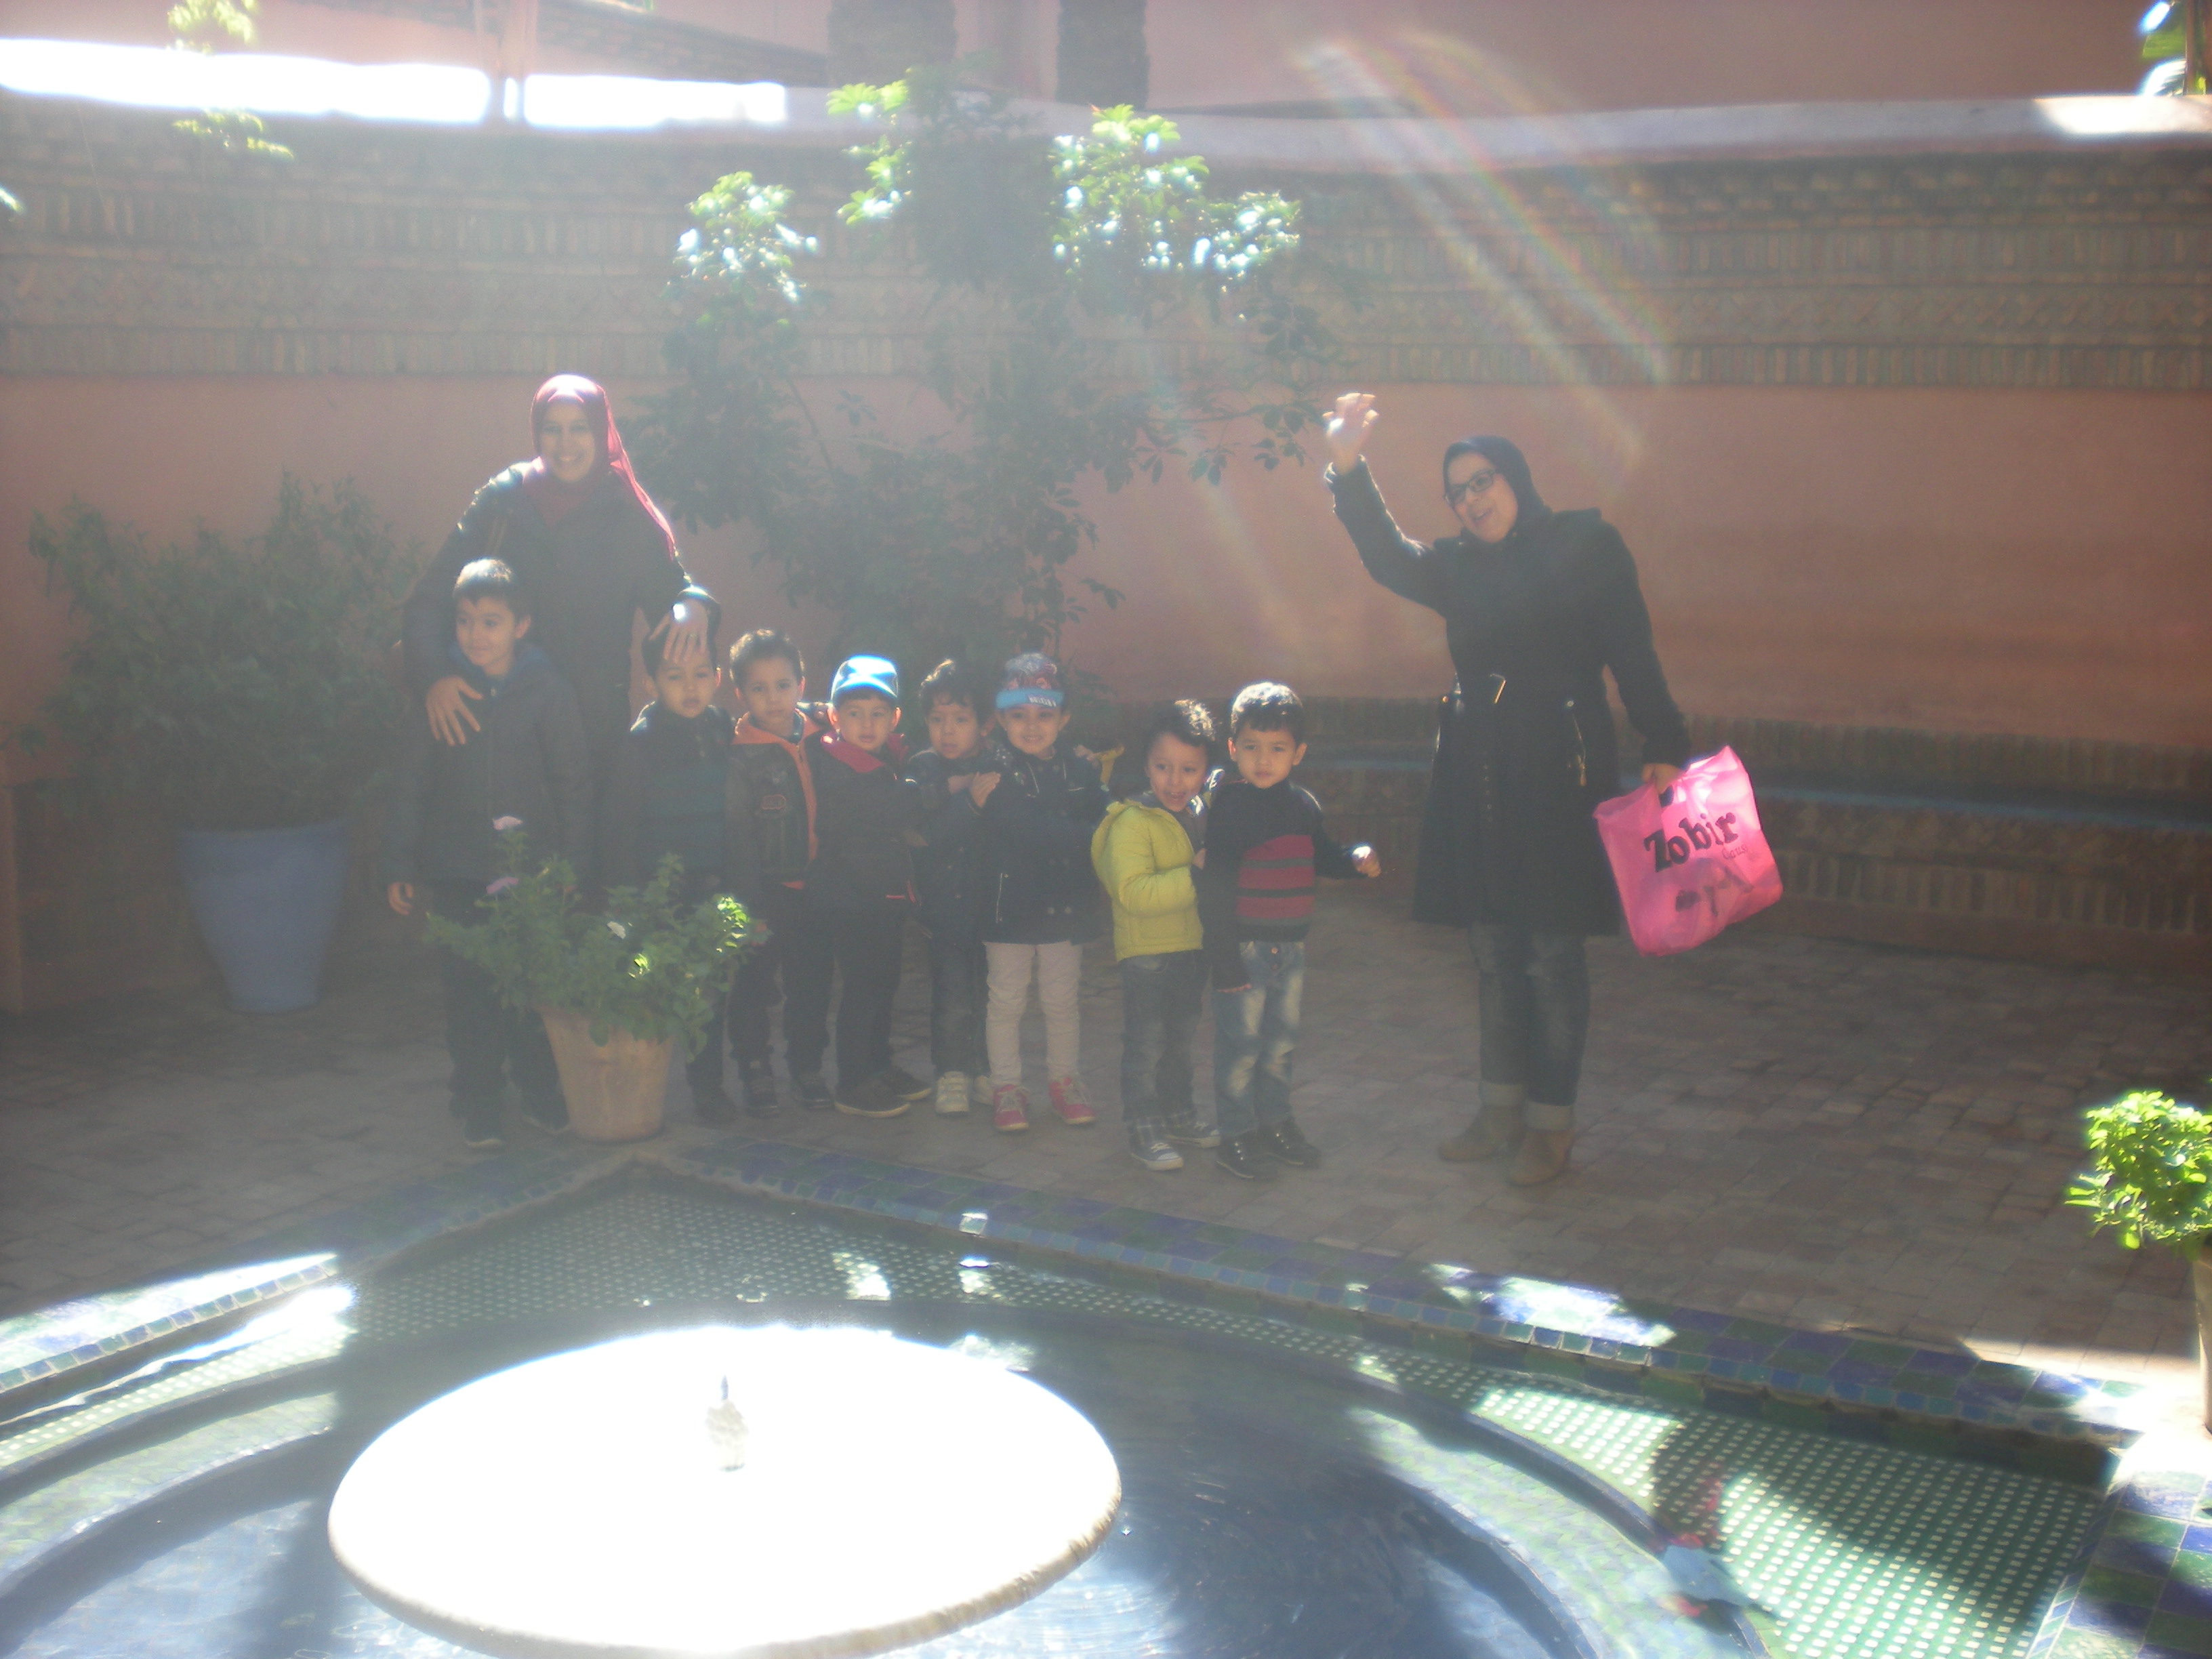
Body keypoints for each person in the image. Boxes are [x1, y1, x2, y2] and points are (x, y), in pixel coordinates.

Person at [1323, 390, 1690, 1186]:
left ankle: (1549, 1126)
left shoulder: (1586, 546)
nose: (1472, 499)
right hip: (1479, 769)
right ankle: (1499, 1112)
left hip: (1561, 770)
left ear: (1515, 477)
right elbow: (1386, 556)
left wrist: (1664, 741)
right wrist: (1348, 467)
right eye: (1457, 491)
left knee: (1551, 953)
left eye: (1483, 480)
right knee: (1492, 949)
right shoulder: (1454, 567)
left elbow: (1632, 650)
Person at [401, 373, 716, 786]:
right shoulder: (504, 502)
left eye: (579, 428)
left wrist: (694, 604)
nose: (565, 444)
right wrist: (435, 677)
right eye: (553, 429)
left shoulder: (626, 514)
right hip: (502, 729)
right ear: (537, 433)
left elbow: (672, 599)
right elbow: (430, 599)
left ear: (600, 432)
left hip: (595, 735)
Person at [380, 558, 592, 1151]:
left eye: (491, 622)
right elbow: (411, 783)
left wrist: (573, 865)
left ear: (521, 626)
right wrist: (398, 863)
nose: (476, 634)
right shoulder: (441, 694)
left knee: (531, 992)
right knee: (468, 995)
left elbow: (573, 784)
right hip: (458, 871)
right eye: (465, 620)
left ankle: (540, 1092)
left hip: (532, 875)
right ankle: (478, 1101)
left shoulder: (549, 693)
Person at [1196, 682, 1380, 1180]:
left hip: (1291, 949)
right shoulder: (1230, 809)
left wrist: (1354, 859)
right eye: (1251, 747)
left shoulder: (1302, 806)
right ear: (1233, 748)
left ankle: (1275, 1124)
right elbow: (1215, 889)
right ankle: (1236, 1135)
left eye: (1277, 749)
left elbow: (1323, 855)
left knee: (1280, 1045)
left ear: (1298, 753)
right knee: (1241, 1048)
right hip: (1244, 950)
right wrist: (1225, 961)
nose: (1263, 760)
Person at [599, 603, 749, 1125]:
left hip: (711, 889)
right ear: (650, 683)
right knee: (650, 987)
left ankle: (707, 1087)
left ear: (718, 677)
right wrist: (626, 909)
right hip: (656, 897)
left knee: (708, 995)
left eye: (701, 674)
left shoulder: (723, 732)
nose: (690, 687)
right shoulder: (640, 747)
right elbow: (619, 832)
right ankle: (639, 1086)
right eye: (674, 676)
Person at [975, 653, 1109, 1134]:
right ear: (1001, 718)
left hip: (1065, 908)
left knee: (1061, 1001)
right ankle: (1007, 1086)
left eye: (1044, 714)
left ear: (1063, 718)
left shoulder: (1080, 768)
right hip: (1009, 907)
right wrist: (1096, 837)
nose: (1032, 726)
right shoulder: (994, 770)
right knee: (1006, 1000)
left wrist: (1115, 823)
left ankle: (1065, 1081)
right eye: (1019, 714)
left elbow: (1106, 810)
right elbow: (1027, 829)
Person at [1090, 700, 1220, 1172]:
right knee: (1146, 1045)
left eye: (1189, 769)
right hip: (1146, 954)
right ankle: (1143, 1126)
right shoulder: (1132, 822)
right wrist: (1196, 875)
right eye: (1163, 767)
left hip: (1193, 949)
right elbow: (1133, 894)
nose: (1175, 781)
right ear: (1146, 766)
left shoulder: (1203, 814)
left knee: (1180, 1042)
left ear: (1206, 770)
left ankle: (1179, 1113)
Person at [800, 655, 930, 1118]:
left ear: (895, 718)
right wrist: (929, 790)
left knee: (885, 983)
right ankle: (853, 1081)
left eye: (878, 713)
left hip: (885, 894)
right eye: (855, 713)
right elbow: (892, 810)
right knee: (863, 988)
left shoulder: (891, 756)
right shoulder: (835, 765)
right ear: (836, 717)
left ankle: (879, 1064)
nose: (867, 723)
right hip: (852, 898)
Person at [724, 629, 832, 1115]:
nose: (773, 698)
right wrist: (749, 906)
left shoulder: (822, 735)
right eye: (759, 688)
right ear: (740, 694)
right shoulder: (739, 754)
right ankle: (755, 1069)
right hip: (765, 890)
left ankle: (806, 1067)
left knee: (811, 984)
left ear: (801, 685)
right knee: (753, 987)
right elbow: (738, 836)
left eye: (783, 686)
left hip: (816, 886)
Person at [902, 660, 999, 1117]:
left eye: (961, 718)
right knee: (953, 997)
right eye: (938, 719)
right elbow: (922, 837)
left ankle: (987, 1068)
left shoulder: (996, 765)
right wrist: (970, 806)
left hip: (992, 906)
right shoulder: (921, 770)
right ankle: (951, 1072)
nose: (948, 730)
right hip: (943, 908)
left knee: (992, 996)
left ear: (985, 724)